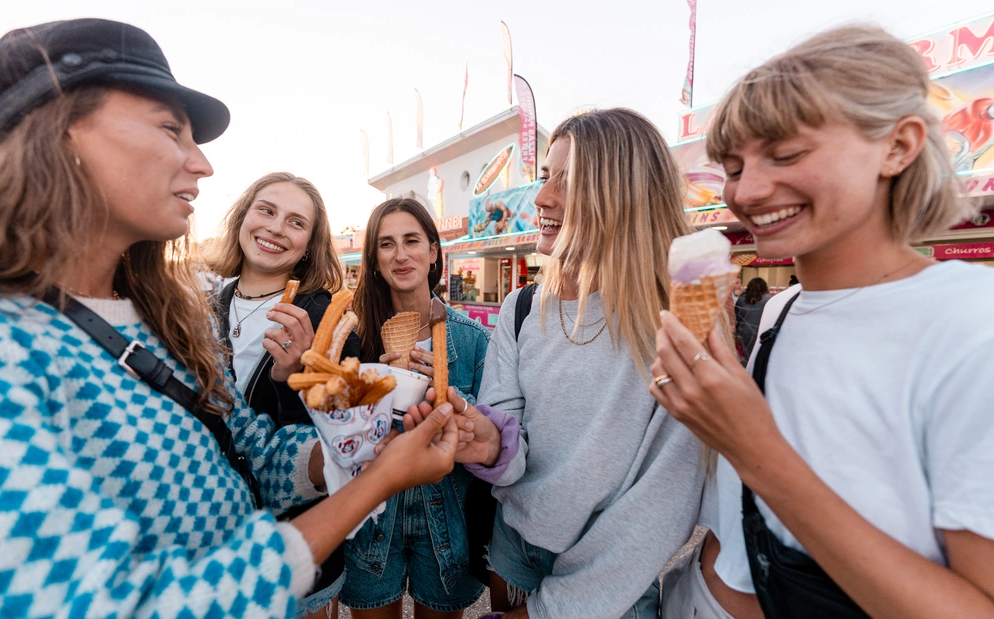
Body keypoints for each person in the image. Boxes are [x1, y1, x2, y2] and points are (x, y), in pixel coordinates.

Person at [0, 19, 460, 618]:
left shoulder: (166, 316)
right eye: (171, 130)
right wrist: (375, 484)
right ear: (62, 134)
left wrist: (367, 446)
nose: (203, 164)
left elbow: (252, 454)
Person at [653, 26, 994, 618]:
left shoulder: (971, 326)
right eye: (733, 167)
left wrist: (753, 446)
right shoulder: (781, 311)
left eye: (787, 154)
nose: (748, 190)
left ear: (898, 145)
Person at [405, 108, 706, 619]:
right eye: (546, 177)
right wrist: (488, 438)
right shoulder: (520, 307)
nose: (541, 198)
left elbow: (662, 505)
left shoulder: (681, 320)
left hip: (608, 582)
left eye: (569, 182)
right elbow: (510, 435)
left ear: (625, 193)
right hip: (512, 548)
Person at [208, 172, 359, 618]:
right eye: (267, 210)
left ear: (310, 244)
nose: (275, 228)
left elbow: (345, 438)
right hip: (216, 541)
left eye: (296, 222)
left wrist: (293, 379)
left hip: (300, 545)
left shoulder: (329, 319)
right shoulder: (200, 309)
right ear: (244, 217)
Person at [343, 196, 491, 619]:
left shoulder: (472, 339)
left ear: (433, 252)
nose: (401, 254)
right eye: (387, 244)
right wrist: (373, 392)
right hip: (374, 514)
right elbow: (335, 430)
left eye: (412, 241)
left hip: (446, 511)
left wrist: (451, 401)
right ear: (373, 259)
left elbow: (496, 430)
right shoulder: (352, 335)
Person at [733, 277, 771, 361]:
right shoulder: (768, 299)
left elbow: (736, 315)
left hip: (743, 332)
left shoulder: (742, 299)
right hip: (761, 332)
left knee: (744, 357)